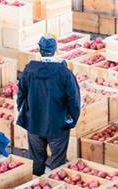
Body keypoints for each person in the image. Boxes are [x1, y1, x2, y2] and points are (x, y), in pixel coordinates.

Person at [17, 35, 80, 176]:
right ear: (55, 50)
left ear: (40, 50)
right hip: (57, 124)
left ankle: (35, 185)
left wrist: (23, 111)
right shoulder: (64, 72)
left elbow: (21, 92)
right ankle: (54, 186)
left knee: (36, 158)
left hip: (34, 122)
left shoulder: (29, 70)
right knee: (58, 159)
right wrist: (71, 119)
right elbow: (74, 99)